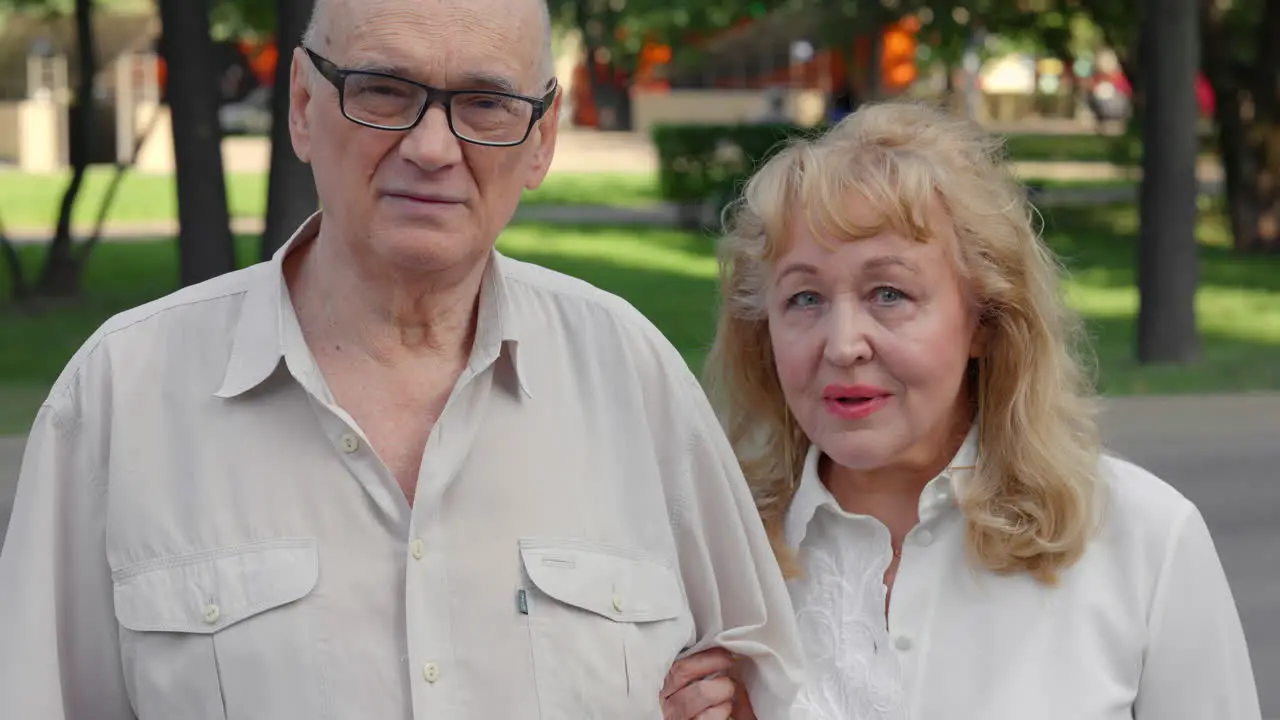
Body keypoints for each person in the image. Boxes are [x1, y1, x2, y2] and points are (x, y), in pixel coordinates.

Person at [0, 1, 806, 718]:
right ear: (306, 106)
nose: (431, 147)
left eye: (485, 103)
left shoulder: (631, 376)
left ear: (541, 139)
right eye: (384, 90)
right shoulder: (121, 394)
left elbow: (771, 686)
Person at [661, 100, 1262, 719]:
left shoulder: (1143, 539)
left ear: (985, 320)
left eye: (888, 293)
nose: (842, 345)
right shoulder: (713, 560)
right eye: (805, 298)